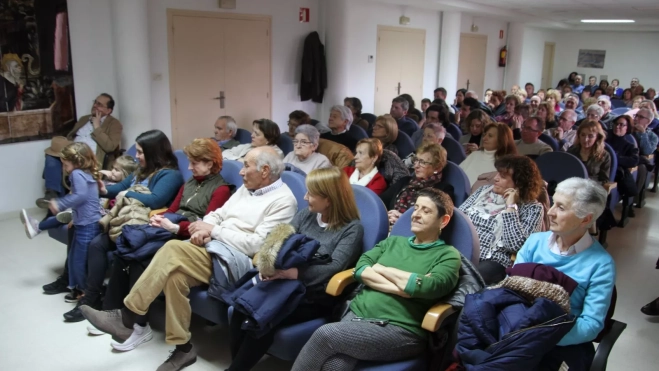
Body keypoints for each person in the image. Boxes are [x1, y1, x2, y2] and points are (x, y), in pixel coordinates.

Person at [81, 146, 298, 371]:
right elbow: (219, 213)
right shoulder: (248, 188)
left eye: (246, 166)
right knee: (176, 277)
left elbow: (257, 245)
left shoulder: (283, 201)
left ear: (264, 171)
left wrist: (212, 230)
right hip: (213, 248)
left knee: (173, 249)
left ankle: (127, 316)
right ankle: (183, 349)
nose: (241, 172)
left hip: (238, 262)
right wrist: (205, 228)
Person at [292, 189, 461, 371]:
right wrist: (404, 288)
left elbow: (430, 286)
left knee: (325, 334)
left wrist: (381, 269)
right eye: (416, 208)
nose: (416, 215)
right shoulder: (393, 242)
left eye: (426, 211)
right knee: (336, 365)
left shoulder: (448, 255)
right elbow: (361, 268)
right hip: (356, 315)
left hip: (400, 330)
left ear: (443, 220)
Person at [97, 138, 232, 348]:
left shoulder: (221, 190)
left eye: (194, 162)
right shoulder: (190, 182)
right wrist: (160, 219)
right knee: (125, 251)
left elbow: (205, 226)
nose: (189, 167)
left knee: (140, 260)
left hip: (188, 237)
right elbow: (172, 209)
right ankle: (111, 313)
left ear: (210, 163)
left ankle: (139, 327)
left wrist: (174, 226)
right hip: (169, 229)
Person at [227, 167, 363, 370]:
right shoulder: (305, 215)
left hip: (315, 294)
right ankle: (237, 365)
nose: (305, 197)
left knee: (263, 316)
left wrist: (292, 274)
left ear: (329, 199)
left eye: (311, 194)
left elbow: (334, 267)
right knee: (240, 308)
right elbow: (279, 242)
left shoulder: (352, 228)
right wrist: (269, 265)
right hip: (281, 283)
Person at [61, 130, 185, 322]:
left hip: (143, 226)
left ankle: (103, 302)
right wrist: (101, 189)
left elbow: (155, 199)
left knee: (101, 243)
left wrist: (126, 194)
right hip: (125, 222)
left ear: (154, 152)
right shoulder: (141, 171)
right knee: (95, 243)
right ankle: (90, 297)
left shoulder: (170, 175)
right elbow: (117, 189)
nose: (137, 156)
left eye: (141, 152)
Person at [514, 177, 614, 371]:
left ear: (585, 219)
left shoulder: (601, 264)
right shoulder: (534, 242)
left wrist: (541, 335)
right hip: (518, 328)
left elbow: (591, 324)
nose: (550, 212)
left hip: (563, 339)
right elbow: (511, 290)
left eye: (561, 208)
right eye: (553, 203)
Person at [23, 142, 103, 302]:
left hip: (88, 225)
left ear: (77, 162)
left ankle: (84, 294)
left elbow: (79, 196)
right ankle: (76, 289)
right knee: (75, 259)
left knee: (79, 262)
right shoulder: (86, 173)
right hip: (86, 222)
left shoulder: (77, 174)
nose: (65, 169)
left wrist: (59, 204)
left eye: (66, 165)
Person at [460, 155, 544, 284]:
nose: (495, 178)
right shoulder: (483, 192)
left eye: (503, 176)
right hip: (463, 250)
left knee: (467, 279)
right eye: (497, 173)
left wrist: (511, 207)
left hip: (494, 261)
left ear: (519, 182)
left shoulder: (533, 208)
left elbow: (516, 246)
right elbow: (460, 219)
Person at [37, 93, 123, 207]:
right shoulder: (84, 119)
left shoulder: (114, 124)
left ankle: (57, 207)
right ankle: (51, 195)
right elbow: (71, 136)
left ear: (108, 110)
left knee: (63, 167)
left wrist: (97, 127)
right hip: (72, 151)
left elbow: (110, 146)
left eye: (100, 105)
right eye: (95, 102)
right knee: (51, 157)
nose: (95, 106)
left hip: (89, 157)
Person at [386, 143, 454, 226]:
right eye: (416, 160)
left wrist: (403, 220)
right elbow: (381, 202)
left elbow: (434, 223)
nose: (416, 166)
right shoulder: (405, 181)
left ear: (437, 167)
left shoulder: (443, 190)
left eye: (422, 162)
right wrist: (387, 215)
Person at [606, 115, 640, 201]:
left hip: (615, 175)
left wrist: (614, 158)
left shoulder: (629, 146)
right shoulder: (603, 140)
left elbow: (633, 161)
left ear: (627, 128)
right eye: (616, 124)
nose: (617, 126)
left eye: (621, 125)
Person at [567, 121, 611, 185]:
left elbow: (604, 181)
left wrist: (590, 183)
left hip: (591, 189)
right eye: (583, 135)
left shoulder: (604, 156)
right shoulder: (571, 151)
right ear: (579, 135)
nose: (585, 139)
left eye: (590, 136)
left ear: (597, 137)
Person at [631, 108, 659, 200]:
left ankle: (631, 201)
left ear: (648, 121)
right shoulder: (626, 128)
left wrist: (642, 133)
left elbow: (647, 151)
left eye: (640, 117)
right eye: (636, 116)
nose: (636, 119)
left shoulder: (652, 136)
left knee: (642, 168)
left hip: (639, 159)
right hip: (625, 156)